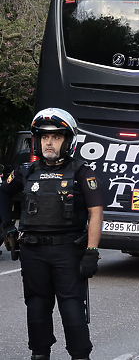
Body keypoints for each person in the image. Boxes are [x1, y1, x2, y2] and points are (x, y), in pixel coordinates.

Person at [0, 108, 104, 360]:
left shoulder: (82, 172)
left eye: (56, 137)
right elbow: (2, 192)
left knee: (71, 309)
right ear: (37, 140)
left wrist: (91, 251)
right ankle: (39, 354)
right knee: (36, 306)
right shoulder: (26, 171)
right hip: (32, 251)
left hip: (68, 251)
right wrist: (7, 227)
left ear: (68, 141)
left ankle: (80, 356)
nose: (49, 142)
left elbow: (96, 211)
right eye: (44, 137)